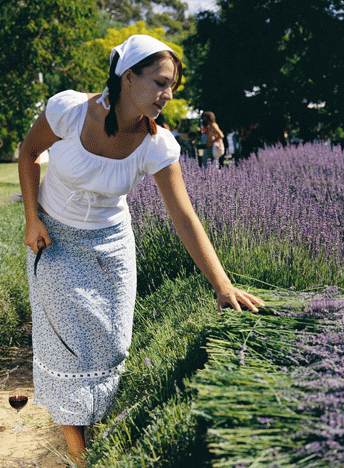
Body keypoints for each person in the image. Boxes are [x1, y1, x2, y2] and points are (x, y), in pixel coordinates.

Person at [18, 35, 264, 467]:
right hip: (54, 237)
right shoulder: (69, 110)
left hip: (112, 243)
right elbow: (29, 151)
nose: (167, 95)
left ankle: (98, 426)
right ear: (127, 77)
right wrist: (32, 219)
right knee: (67, 347)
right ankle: (81, 455)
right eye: (160, 83)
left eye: (172, 86)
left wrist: (223, 286)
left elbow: (185, 217)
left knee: (111, 344)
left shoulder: (158, 143)